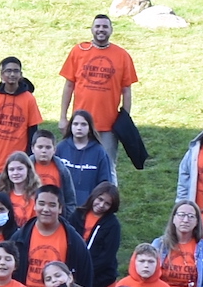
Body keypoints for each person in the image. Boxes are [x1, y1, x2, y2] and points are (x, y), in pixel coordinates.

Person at [56, 12, 150, 178]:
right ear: (92, 29)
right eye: (98, 26)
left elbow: (126, 90)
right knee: (75, 165)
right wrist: (63, 117)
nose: (101, 29)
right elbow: (69, 85)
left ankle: (108, 201)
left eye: (105, 26)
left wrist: (124, 121)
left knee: (107, 167)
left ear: (111, 30)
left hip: (108, 126)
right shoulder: (78, 52)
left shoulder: (122, 56)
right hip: (80, 123)